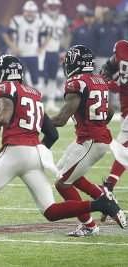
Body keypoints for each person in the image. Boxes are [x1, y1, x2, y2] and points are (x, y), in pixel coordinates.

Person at [0, 54, 126, 262]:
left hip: (15, 152)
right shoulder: (35, 94)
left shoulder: (4, 88)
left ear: (0, 72)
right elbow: (52, 134)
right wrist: (34, 150)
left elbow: (4, 116)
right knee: (50, 211)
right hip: (35, 154)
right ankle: (99, 204)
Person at [50, 45, 127, 236]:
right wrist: (97, 125)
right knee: (63, 172)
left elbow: (61, 119)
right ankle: (103, 196)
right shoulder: (99, 79)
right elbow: (109, 112)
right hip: (92, 139)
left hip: (91, 141)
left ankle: (89, 225)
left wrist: (38, 122)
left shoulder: (76, 82)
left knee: (62, 183)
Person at [99, 40, 128, 222]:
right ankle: (107, 193)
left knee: (122, 149)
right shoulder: (122, 47)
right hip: (125, 109)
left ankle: (106, 192)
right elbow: (106, 67)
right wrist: (109, 80)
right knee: (121, 150)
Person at [4, 1, 49, 88]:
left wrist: (42, 47)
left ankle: (35, 99)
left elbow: (47, 35)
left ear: (35, 12)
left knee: (35, 80)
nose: (30, 14)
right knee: (20, 79)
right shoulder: (18, 20)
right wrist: (13, 47)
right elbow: (5, 34)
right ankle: (21, 98)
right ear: (24, 11)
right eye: (28, 12)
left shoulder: (39, 22)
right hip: (21, 54)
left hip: (34, 54)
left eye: (32, 12)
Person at [41, 0, 70, 112]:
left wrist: (64, 45)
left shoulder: (62, 18)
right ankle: (40, 101)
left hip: (54, 51)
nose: (53, 8)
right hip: (43, 51)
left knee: (52, 78)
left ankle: (51, 102)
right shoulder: (42, 17)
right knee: (41, 78)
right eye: (51, 6)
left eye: (55, 6)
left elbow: (67, 34)